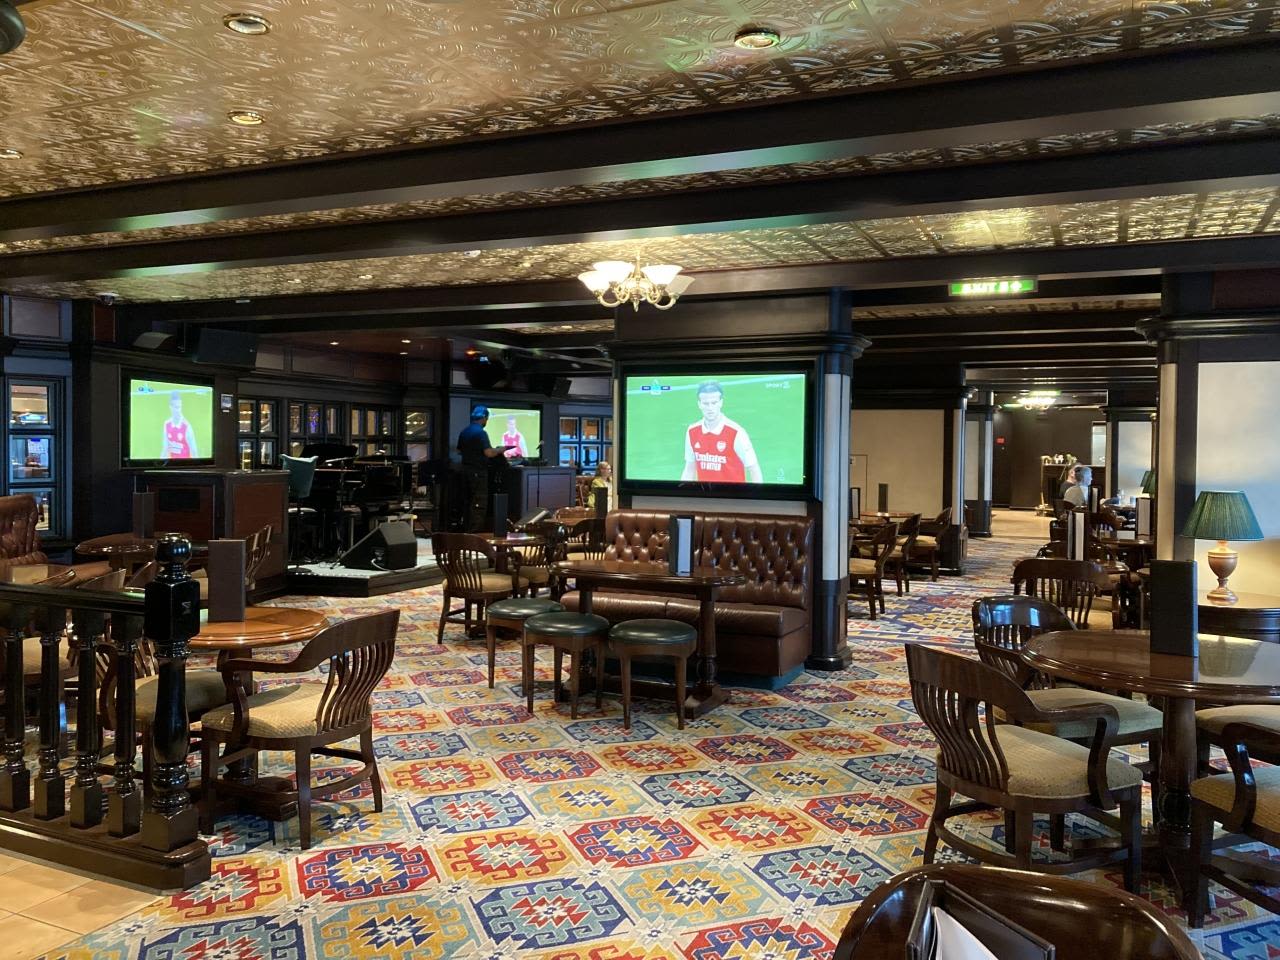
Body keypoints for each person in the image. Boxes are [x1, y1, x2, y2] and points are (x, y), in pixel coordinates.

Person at [681, 380, 762, 483]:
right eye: (706, 403)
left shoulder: (736, 433)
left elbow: (754, 469)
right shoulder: (692, 431)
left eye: (714, 403)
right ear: (699, 404)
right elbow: (689, 468)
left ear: (721, 402)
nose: (710, 408)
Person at [456, 405, 515, 530]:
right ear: (483, 418)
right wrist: (502, 449)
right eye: (486, 419)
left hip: (465, 471)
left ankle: (466, 531)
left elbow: (459, 451)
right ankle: (476, 533)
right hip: (478, 472)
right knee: (479, 503)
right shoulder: (481, 433)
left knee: (467, 502)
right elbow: (489, 453)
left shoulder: (464, 431)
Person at [162, 390, 198, 459]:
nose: (179, 410)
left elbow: (194, 451)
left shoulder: (186, 426)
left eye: (180, 407)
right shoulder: (166, 424)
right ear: (170, 407)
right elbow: (165, 448)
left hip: (186, 464)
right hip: (172, 463)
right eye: (176, 407)